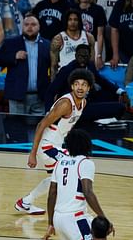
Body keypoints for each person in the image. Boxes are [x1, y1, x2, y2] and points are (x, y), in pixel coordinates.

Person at [14, 68, 94, 215]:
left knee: (54, 177)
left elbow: (67, 128)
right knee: (73, 169)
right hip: (46, 145)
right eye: (77, 84)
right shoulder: (65, 104)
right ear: (72, 86)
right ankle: (75, 209)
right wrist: (32, 153)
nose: (80, 87)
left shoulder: (83, 103)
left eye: (84, 84)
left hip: (55, 145)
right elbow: (41, 125)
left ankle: (25, 202)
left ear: (89, 87)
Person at [43, 129, 114, 240]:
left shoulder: (60, 163)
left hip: (58, 219)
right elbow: (88, 192)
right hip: (74, 218)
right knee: (100, 233)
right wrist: (103, 218)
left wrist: (51, 223)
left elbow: (52, 193)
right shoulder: (85, 163)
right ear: (86, 144)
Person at [0, 14, 50, 114]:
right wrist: (14, 56)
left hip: (40, 97)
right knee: (16, 128)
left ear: (39, 27)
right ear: (22, 26)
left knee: (38, 128)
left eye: (33, 24)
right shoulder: (11, 43)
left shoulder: (47, 45)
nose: (29, 27)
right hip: (17, 95)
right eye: (26, 24)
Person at [50, 9, 95, 80]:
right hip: (65, 75)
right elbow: (54, 65)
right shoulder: (58, 38)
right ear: (66, 21)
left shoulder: (89, 37)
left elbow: (92, 62)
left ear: (79, 21)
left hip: (83, 76)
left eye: (75, 20)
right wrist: (53, 83)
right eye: (70, 19)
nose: (72, 22)